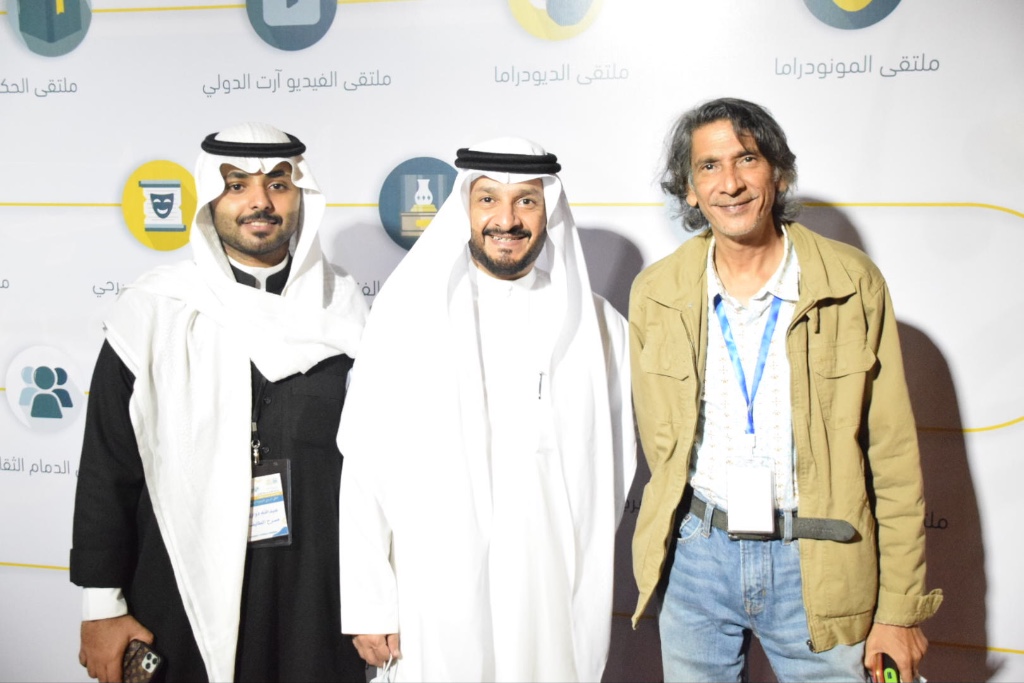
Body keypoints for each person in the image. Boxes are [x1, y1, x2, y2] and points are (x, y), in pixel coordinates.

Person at [629, 98, 943, 682]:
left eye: (747, 159)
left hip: (818, 558)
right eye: (709, 166)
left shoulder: (852, 283)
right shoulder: (656, 293)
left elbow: (894, 461)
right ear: (689, 190)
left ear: (778, 172)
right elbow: (660, 449)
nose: (729, 183)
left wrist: (899, 611)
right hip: (697, 556)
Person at [70, 122, 368, 683]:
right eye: (237, 186)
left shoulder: (345, 308)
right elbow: (109, 467)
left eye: (277, 184)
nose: (260, 202)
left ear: (300, 195)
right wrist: (101, 607)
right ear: (211, 198)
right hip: (180, 579)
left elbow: (375, 469)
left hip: (316, 591)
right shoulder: (155, 310)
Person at [336, 137, 636, 682]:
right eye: (488, 199)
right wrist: (370, 600)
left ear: (549, 210)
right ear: (464, 209)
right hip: (434, 584)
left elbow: (612, 472)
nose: (507, 219)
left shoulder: (596, 326)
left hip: (546, 585)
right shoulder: (407, 317)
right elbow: (364, 462)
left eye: (526, 201)